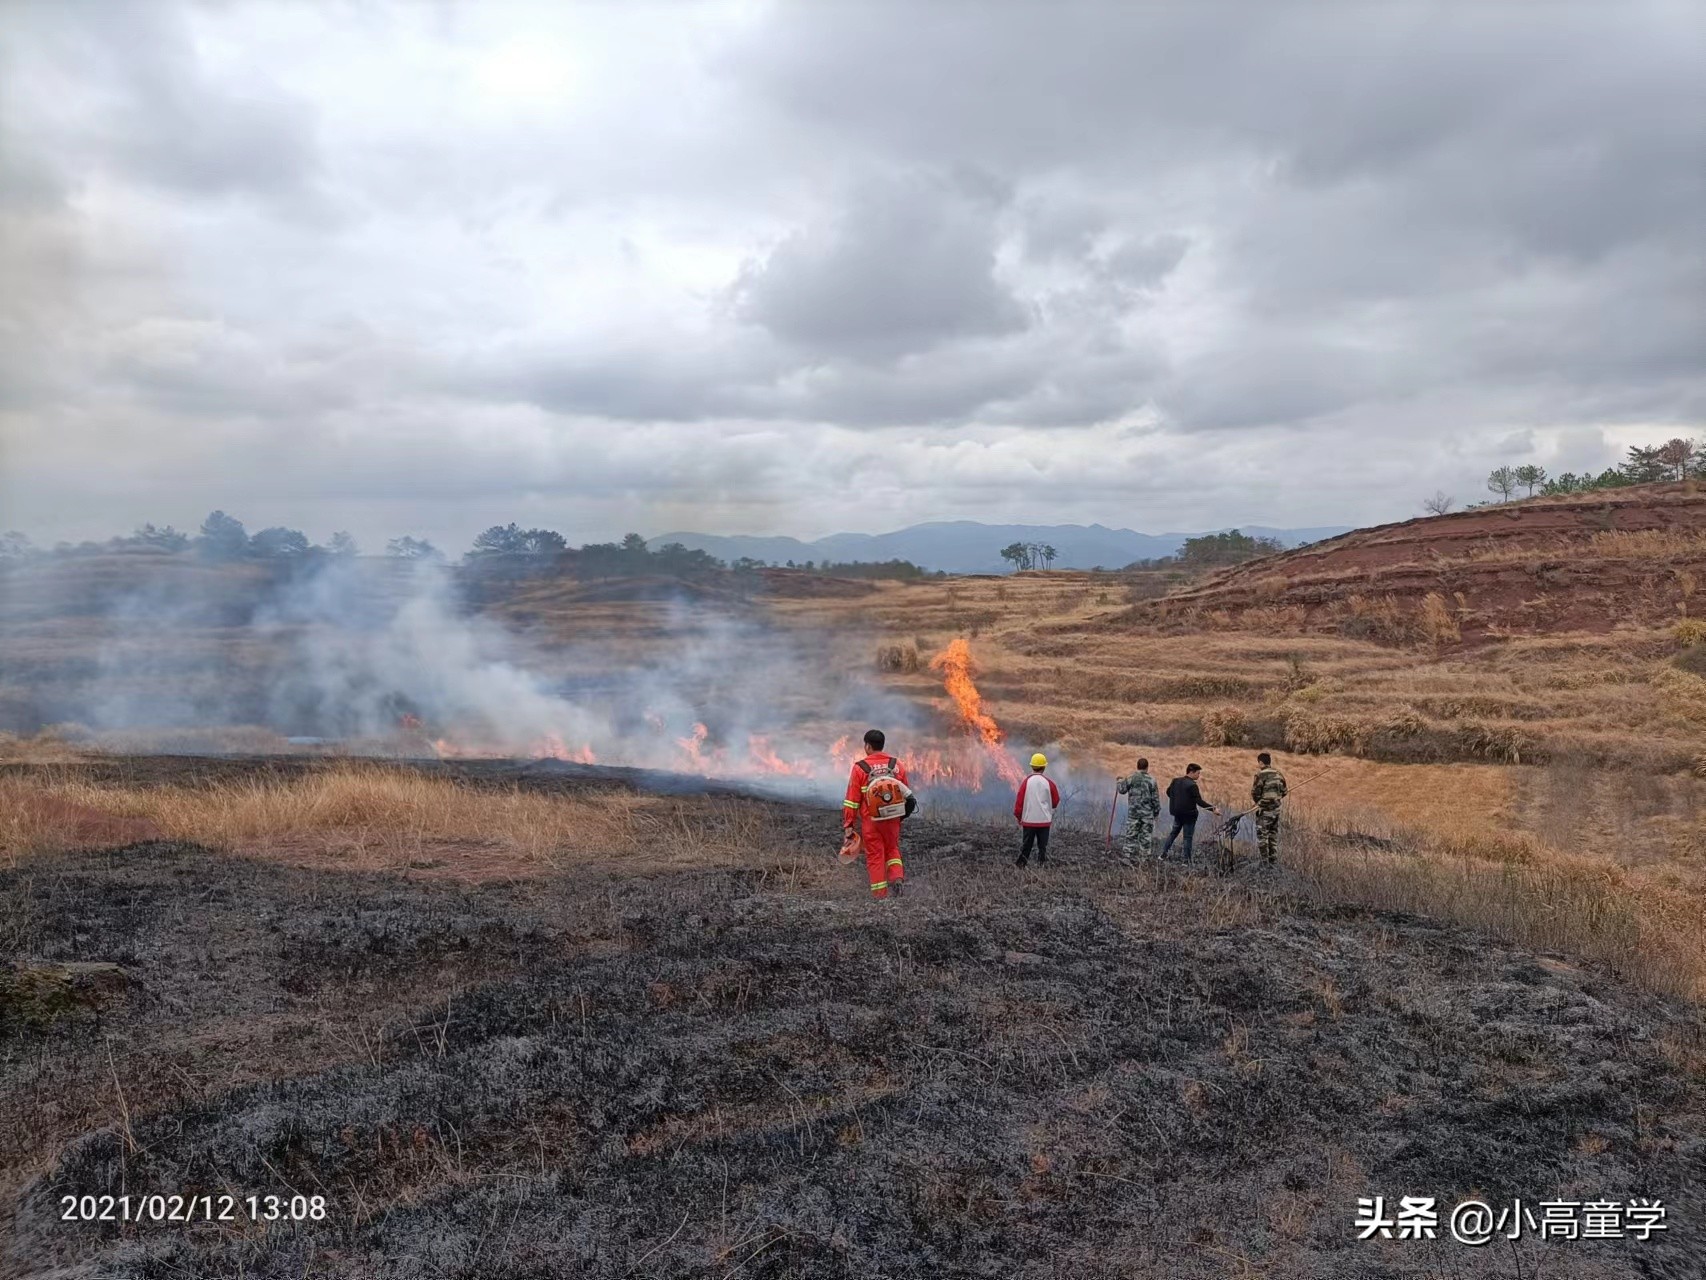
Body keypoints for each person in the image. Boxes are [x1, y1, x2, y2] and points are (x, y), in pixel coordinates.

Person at [842, 728, 915, 899]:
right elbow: (905, 793)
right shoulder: (896, 765)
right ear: (882, 745)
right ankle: (897, 878)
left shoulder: (860, 768)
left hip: (871, 821)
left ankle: (880, 897)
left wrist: (848, 825)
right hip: (892, 819)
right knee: (892, 849)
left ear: (867, 746)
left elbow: (851, 801)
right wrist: (900, 816)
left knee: (875, 856)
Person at [1160, 763, 1217, 862]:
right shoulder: (1192, 785)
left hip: (1177, 814)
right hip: (1189, 816)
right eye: (1198, 773)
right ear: (1191, 772)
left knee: (1173, 833)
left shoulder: (1175, 781)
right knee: (1187, 838)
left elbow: (1169, 792)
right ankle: (1186, 861)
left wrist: (1177, 801)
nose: (1199, 776)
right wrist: (1213, 809)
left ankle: (1163, 854)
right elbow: (1199, 802)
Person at [1013, 753, 1060, 867]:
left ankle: (1021, 864)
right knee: (1042, 846)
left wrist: (1019, 817)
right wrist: (1049, 808)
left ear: (1032, 766)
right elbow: (1055, 800)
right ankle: (1041, 864)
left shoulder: (1026, 782)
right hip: (1044, 821)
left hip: (1029, 821)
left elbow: (1019, 802)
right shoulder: (1049, 783)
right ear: (1044, 767)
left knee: (1026, 845)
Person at [1115, 757, 1160, 865]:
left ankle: (1127, 856)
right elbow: (1155, 799)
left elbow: (1122, 790)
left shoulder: (1131, 778)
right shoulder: (1152, 780)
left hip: (1133, 813)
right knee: (1145, 836)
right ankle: (1143, 859)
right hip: (1147, 814)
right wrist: (1156, 812)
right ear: (1147, 767)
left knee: (1131, 834)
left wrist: (1119, 781)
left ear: (1137, 766)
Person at [1251, 751, 1288, 864]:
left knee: (1263, 838)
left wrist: (1259, 802)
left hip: (1264, 811)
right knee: (1273, 837)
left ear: (1261, 762)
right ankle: (1273, 862)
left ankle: (1264, 862)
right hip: (1276, 811)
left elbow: (1255, 792)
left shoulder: (1260, 775)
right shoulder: (1279, 774)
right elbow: (1284, 791)